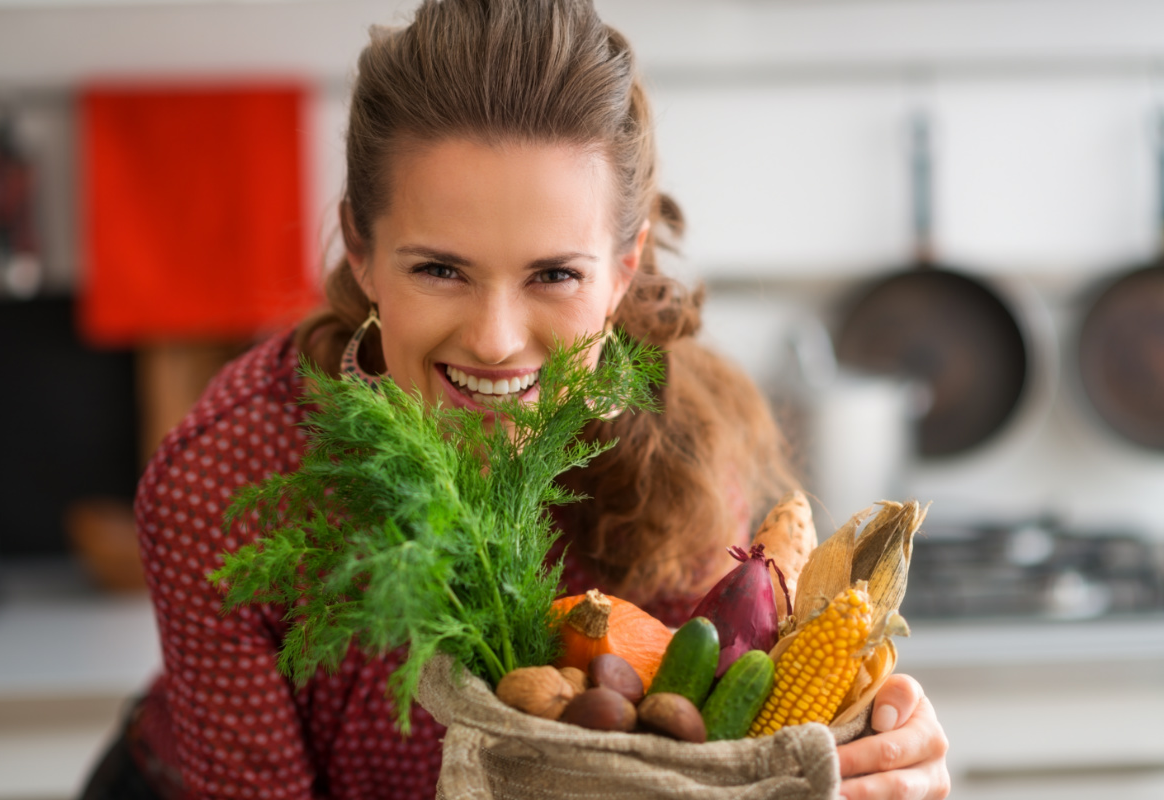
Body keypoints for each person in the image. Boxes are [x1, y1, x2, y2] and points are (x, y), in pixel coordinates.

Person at [80, 1, 950, 798]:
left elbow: (690, 759)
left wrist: (864, 754)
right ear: (361, 248)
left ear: (625, 268)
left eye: (554, 274)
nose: (496, 338)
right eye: (440, 269)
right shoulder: (226, 479)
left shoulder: (677, 451)